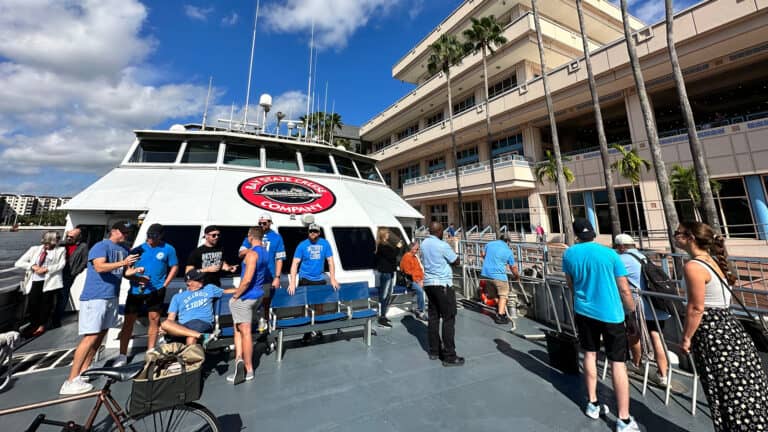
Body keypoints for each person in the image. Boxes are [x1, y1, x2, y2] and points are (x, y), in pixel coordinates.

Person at [677, 222, 768, 431]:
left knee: (724, 392)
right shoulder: (715, 261)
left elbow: (696, 307)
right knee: (745, 392)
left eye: (678, 233)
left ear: (690, 237)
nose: (675, 236)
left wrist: (686, 337)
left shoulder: (693, 266)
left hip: (712, 334)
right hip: (732, 330)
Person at [562, 219, 639, 432]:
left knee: (589, 354)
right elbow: (624, 289)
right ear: (594, 233)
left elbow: (570, 284)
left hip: (584, 311)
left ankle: (593, 403)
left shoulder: (569, 254)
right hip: (612, 313)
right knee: (618, 363)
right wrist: (631, 313)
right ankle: (623, 418)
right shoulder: (611, 254)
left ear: (576, 234)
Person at [60, 221, 141, 395]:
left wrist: (136, 275)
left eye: (128, 232)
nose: (126, 235)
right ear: (114, 231)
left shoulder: (125, 250)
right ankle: (71, 380)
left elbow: (125, 273)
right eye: (123, 232)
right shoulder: (101, 246)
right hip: (95, 296)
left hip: (111, 295)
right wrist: (123, 263)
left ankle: (85, 370)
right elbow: (99, 266)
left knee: (101, 334)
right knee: (90, 336)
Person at [116, 223, 178, 366]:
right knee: (128, 322)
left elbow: (174, 266)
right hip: (136, 291)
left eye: (154, 236)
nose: (150, 239)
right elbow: (126, 273)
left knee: (154, 319)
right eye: (149, 236)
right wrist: (138, 278)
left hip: (156, 290)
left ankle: (150, 350)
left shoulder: (168, 249)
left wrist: (165, 284)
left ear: (161, 236)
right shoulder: (138, 250)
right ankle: (122, 355)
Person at [614, 234, 671, 387]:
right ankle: (663, 374)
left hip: (639, 306)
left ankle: (636, 362)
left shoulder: (622, 259)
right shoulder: (643, 257)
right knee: (657, 337)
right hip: (656, 303)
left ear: (621, 247)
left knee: (633, 333)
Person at [228, 226, 269, 383]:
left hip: (246, 297)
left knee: (244, 332)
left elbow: (246, 280)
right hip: (258, 295)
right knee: (238, 329)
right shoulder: (264, 252)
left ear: (250, 237)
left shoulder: (252, 254)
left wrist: (236, 296)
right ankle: (238, 358)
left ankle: (248, 368)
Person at [421, 222, 463, 367]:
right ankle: (449, 356)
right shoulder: (442, 245)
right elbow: (455, 261)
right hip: (442, 284)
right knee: (448, 318)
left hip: (429, 284)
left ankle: (434, 351)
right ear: (439, 232)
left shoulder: (424, 244)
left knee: (433, 317)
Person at [288, 223, 338, 343]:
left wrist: (332, 278)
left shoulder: (325, 244)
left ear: (319, 233)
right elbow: (295, 263)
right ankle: (307, 331)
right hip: (305, 279)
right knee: (305, 306)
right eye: (311, 231)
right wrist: (292, 282)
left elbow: (330, 261)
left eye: (315, 231)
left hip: (319, 279)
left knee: (319, 305)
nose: (312, 234)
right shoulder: (302, 245)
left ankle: (318, 328)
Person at [15, 231, 67, 337]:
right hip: (35, 281)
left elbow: (61, 265)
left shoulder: (61, 250)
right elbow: (19, 262)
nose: (48, 245)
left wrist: (46, 269)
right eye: (48, 243)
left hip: (50, 282)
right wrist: (33, 266)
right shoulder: (35, 249)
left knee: (46, 304)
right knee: (33, 304)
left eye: (53, 242)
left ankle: (41, 326)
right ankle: (33, 324)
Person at [161, 269, 233, 346]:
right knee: (165, 324)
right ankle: (200, 336)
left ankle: (191, 355)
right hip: (183, 325)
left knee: (191, 338)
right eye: (198, 279)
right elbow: (170, 319)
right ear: (189, 282)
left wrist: (244, 288)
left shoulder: (209, 288)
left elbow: (227, 291)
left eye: (202, 278)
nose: (202, 280)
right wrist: (166, 329)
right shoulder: (177, 297)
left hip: (202, 322)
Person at [239, 214, 285, 332]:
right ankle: (248, 328)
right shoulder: (252, 236)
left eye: (264, 223)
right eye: (260, 223)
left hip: (267, 277)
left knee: (265, 303)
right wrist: (255, 249)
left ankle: (264, 328)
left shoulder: (276, 237)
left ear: (270, 223)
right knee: (248, 303)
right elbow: (240, 253)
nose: (262, 225)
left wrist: (277, 277)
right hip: (251, 276)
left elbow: (279, 258)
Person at [480, 233, 520, 325]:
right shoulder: (508, 250)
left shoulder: (489, 244)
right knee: (503, 295)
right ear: (507, 241)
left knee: (494, 295)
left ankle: (500, 309)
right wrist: (517, 276)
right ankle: (500, 315)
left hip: (486, 274)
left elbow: (482, 254)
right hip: (499, 276)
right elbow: (513, 267)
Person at [53, 226, 89, 328]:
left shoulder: (83, 247)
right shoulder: (61, 244)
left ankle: (56, 319)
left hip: (69, 275)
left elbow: (84, 261)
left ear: (78, 237)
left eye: (72, 237)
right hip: (56, 273)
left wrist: (76, 272)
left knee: (63, 297)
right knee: (52, 295)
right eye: (68, 236)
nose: (69, 238)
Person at [375, 228, 403, 328]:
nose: (388, 235)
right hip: (386, 272)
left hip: (390, 272)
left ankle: (384, 315)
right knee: (384, 295)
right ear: (383, 235)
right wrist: (398, 248)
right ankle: (382, 317)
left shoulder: (386, 244)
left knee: (388, 294)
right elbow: (392, 256)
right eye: (387, 233)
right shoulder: (382, 246)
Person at [399, 242, 428, 321]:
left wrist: (422, 279)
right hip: (409, 281)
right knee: (420, 291)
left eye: (418, 249)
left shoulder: (415, 257)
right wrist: (418, 281)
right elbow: (408, 273)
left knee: (432, 286)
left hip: (417, 279)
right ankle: (420, 311)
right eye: (416, 249)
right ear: (411, 248)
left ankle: (431, 307)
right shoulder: (406, 257)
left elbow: (420, 271)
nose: (418, 250)